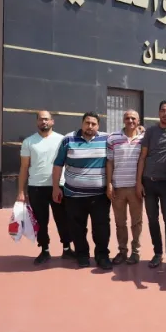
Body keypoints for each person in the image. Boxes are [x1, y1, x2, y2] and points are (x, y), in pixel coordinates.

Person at [52, 112, 113, 270]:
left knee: (101, 228)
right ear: (82, 123)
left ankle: (102, 255)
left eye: (93, 124)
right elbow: (58, 164)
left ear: (98, 126)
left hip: (100, 196)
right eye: (87, 123)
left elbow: (124, 137)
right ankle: (82, 255)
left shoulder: (106, 139)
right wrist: (55, 187)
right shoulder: (68, 139)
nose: (90, 126)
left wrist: (140, 130)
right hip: (73, 195)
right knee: (77, 228)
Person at [17, 111, 74, 265]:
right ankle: (45, 250)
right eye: (41, 119)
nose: (44, 122)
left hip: (59, 186)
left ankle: (67, 249)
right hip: (36, 187)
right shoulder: (29, 142)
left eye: (46, 119)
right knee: (41, 221)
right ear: (37, 122)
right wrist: (21, 191)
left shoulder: (62, 139)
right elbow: (24, 168)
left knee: (63, 219)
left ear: (52, 121)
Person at [136, 100, 166, 275]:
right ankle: (157, 253)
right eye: (163, 110)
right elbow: (142, 157)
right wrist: (139, 182)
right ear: (158, 112)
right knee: (152, 220)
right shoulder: (150, 131)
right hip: (149, 182)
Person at [106, 110, 144, 265]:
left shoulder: (144, 138)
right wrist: (109, 183)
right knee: (120, 223)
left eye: (133, 118)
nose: (130, 120)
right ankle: (122, 251)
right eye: (127, 118)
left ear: (138, 121)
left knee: (137, 222)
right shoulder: (113, 138)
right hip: (118, 188)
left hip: (136, 188)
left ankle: (135, 252)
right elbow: (109, 162)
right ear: (123, 120)